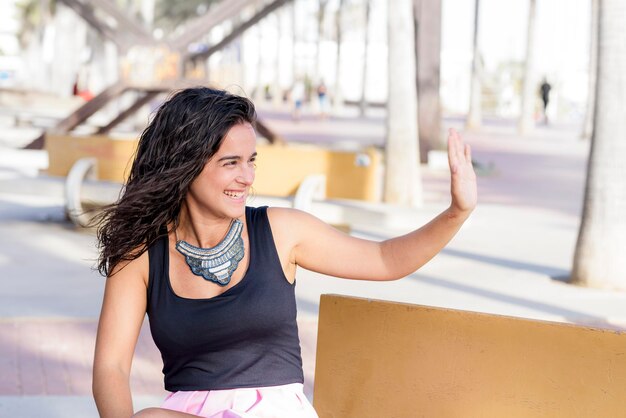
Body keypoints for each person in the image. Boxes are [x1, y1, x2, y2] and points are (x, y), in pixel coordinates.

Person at [92, 87, 477, 418]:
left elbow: (386, 260)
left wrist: (456, 212)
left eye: (251, 161)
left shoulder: (281, 232)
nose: (247, 177)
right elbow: (110, 367)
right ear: (186, 166)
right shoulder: (140, 255)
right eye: (231, 163)